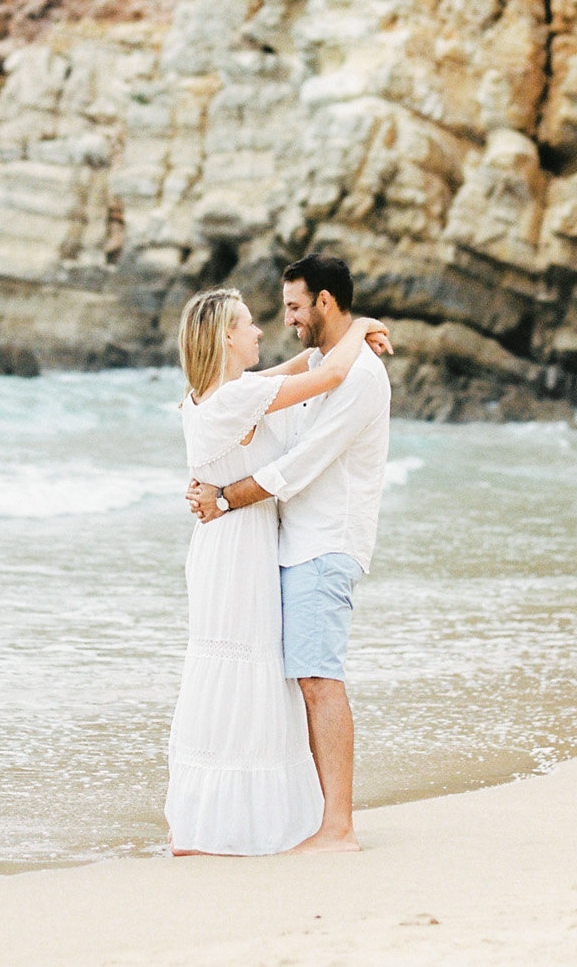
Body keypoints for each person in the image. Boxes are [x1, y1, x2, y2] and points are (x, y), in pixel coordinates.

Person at [165, 285, 389, 856]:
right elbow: (327, 377)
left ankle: (200, 820)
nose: (260, 330)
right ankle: (235, 824)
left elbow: (300, 367)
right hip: (240, 546)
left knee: (225, 670)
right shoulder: (237, 399)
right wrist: (359, 325)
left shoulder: (207, 395)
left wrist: (341, 339)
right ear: (225, 338)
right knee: (246, 668)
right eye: (246, 324)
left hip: (225, 544)